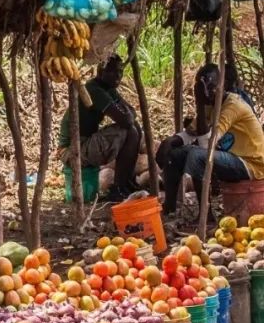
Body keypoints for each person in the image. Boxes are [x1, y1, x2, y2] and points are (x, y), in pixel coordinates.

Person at [161, 62, 264, 218]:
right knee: (174, 154)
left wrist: (200, 104)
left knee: (196, 156)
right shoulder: (212, 103)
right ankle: (169, 209)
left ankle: (205, 214)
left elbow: (207, 145)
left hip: (250, 164)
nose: (208, 93)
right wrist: (170, 142)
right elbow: (191, 133)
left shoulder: (233, 106)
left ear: (224, 84)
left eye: (212, 87)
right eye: (204, 89)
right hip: (232, 157)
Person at [58, 55, 141, 201]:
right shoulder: (94, 89)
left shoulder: (108, 89)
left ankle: (125, 184)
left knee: (136, 128)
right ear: (101, 71)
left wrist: (128, 115)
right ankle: (118, 188)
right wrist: (127, 115)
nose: (118, 76)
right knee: (130, 130)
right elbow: (126, 120)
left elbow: (131, 113)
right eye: (113, 72)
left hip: (85, 143)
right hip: (73, 150)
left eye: (120, 72)